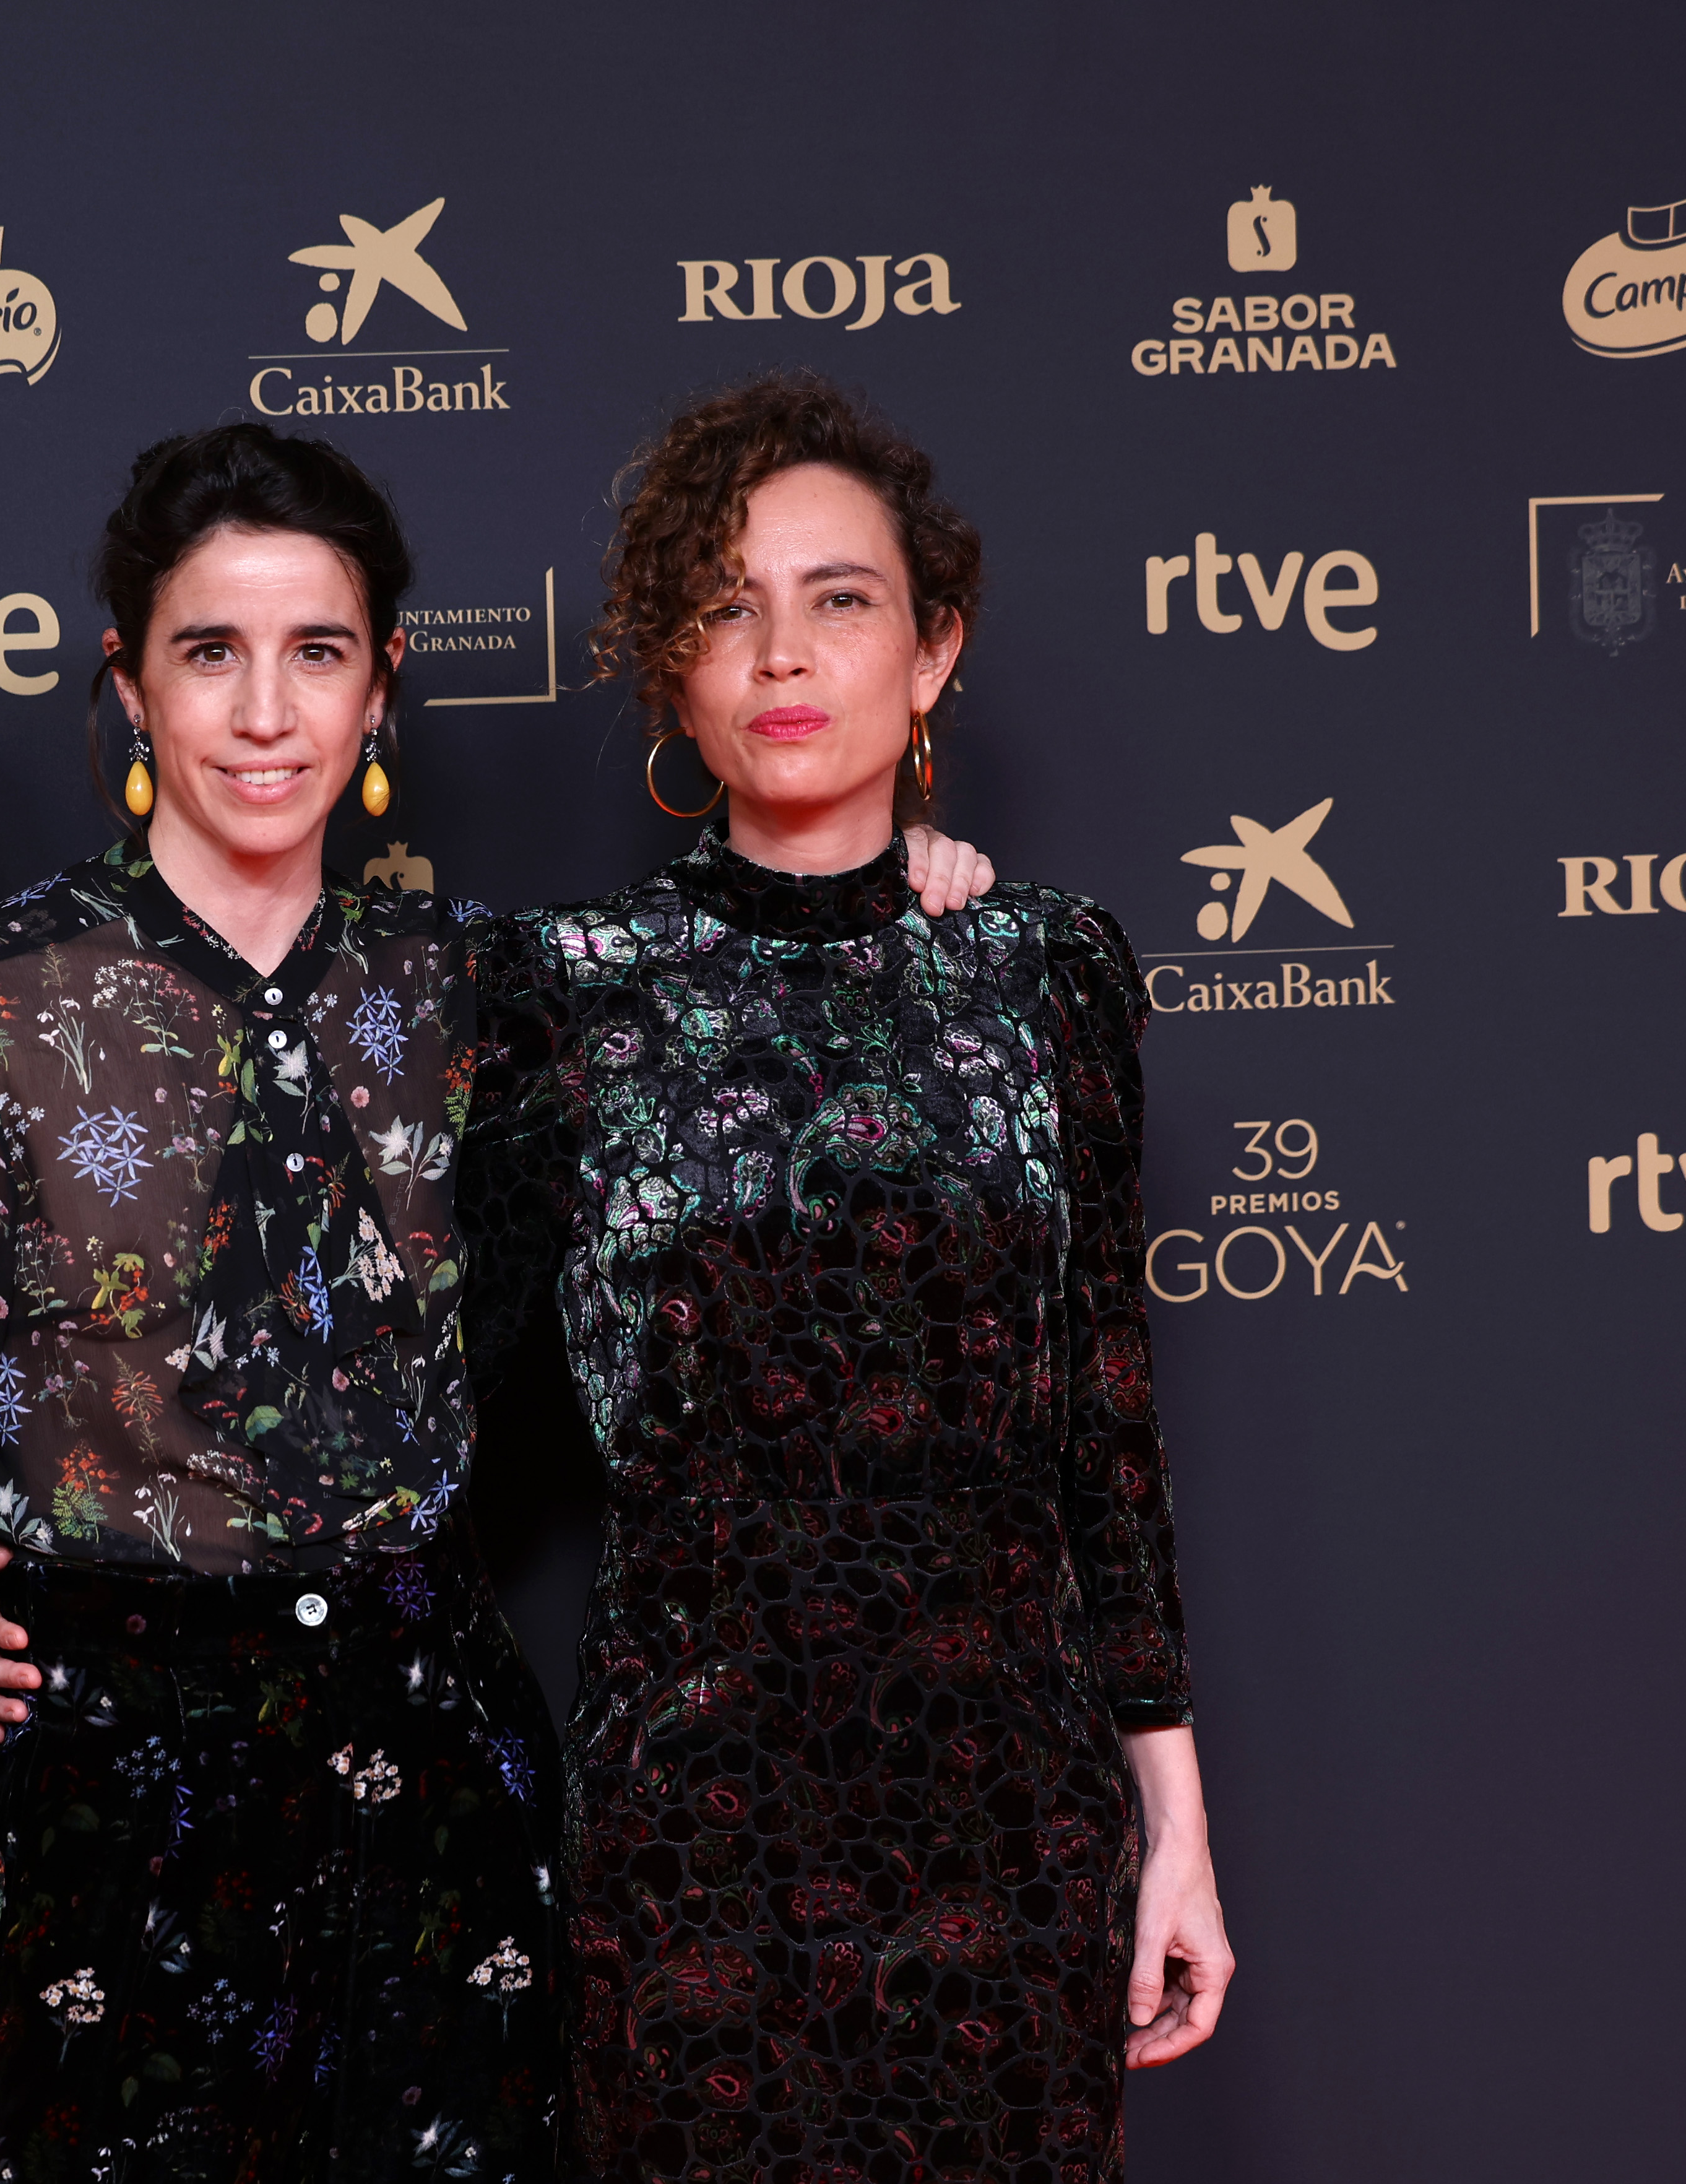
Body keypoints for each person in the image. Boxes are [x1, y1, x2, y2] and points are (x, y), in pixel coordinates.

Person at [0, 424, 998, 2182]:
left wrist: (906, 880)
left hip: (435, 1777)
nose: (265, 711)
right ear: (129, 691)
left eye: (318, 653)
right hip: (117, 1792)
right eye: (209, 653)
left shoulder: (489, 992)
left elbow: (752, 1016)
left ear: (381, 693)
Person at [464, 369, 1234, 2180]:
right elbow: (428, 1424)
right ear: (672, 669)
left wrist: (1173, 1825)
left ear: (932, 651)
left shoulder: (1044, 974)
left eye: (838, 601)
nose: (782, 655)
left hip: (1009, 1821)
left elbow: (1103, 1431)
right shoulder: (559, 988)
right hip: (691, 1837)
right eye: (724, 610)